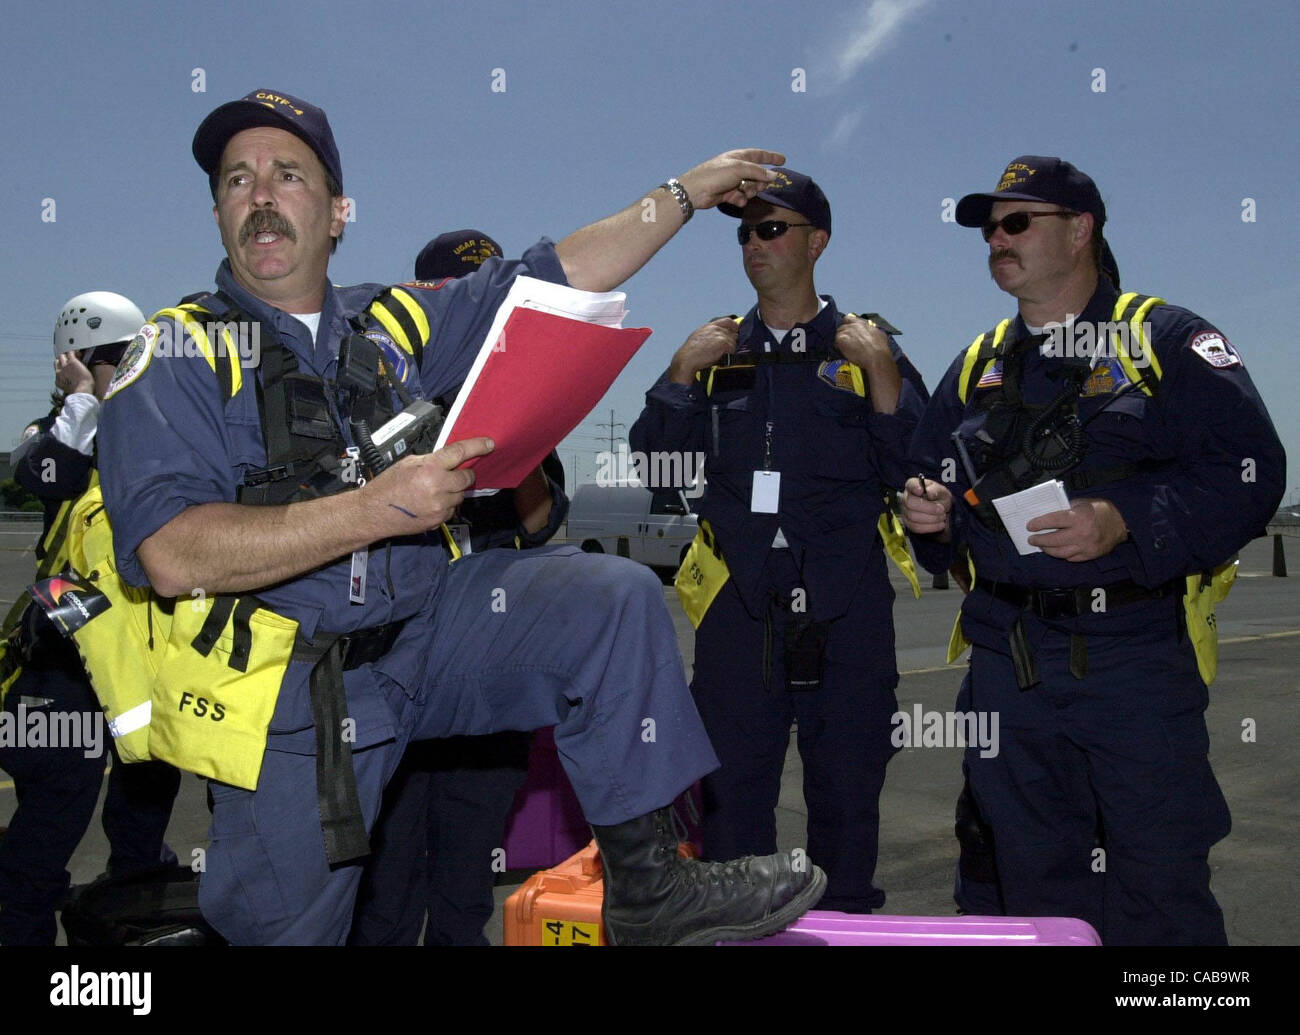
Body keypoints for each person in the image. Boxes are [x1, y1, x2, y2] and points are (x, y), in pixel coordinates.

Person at [95, 87, 826, 945]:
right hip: (295, 695)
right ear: (219, 211)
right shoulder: (178, 350)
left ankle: (648, 883)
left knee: (613, 597)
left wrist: (685, 193)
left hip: (426, 632)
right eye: (237, 179)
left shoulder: (392, 322)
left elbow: (556, 274)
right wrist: (369, 510)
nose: (260, 194)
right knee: (284, 932)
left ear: (337, 213)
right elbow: (173, 553)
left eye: (288, 175)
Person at [901, 155, 1285, 944]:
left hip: (1132, 663)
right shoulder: (978, 365)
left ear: (1080, 231)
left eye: (1017, 222)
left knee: (1159, 881)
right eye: (988, 229)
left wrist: (1125, 516)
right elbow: (929, 477)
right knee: (1033, 887)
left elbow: (1251, 472)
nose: (996, 241)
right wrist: (929, 514)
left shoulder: (1166, 341)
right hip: (1008, 663)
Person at [629, 169, 929, 912]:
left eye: (772, 230)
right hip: (741, 604)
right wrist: (676, 374)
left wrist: (884, 372)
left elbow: (919, 472)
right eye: (744, 233)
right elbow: (661, 471)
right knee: (729, 802)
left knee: (848, 797)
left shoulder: (865, 347)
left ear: (816, 240)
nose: (754, 245)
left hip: (845, 603)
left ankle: (843, 922)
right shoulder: (718, 349)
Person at [349, 230, 565, 946]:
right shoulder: (372, 406)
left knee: (465, 887)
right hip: (396, 678)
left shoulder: (523, 405)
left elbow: (536, 525)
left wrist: (516, 428)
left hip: (484, 687)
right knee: (385, 888)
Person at [0, 292, 181, 945]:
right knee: (44, 836)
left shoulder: (154, 432)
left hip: (141, 666)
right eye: (110, 362)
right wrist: (80, 398)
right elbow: (48, 474)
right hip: (63, 671)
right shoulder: (53, 432)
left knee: (141, 829)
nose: (122, 374)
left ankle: (123, 936)